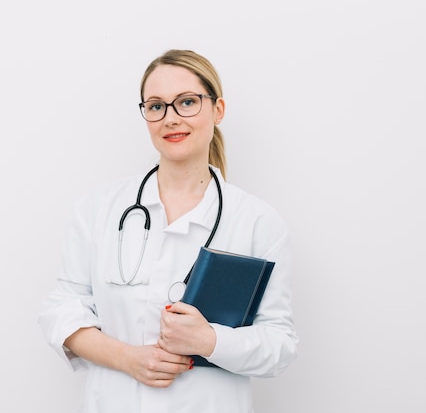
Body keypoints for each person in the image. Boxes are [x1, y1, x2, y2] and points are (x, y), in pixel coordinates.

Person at [38, 49, 298, 413]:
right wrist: (128, 359)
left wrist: (209, 340)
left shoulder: (257, 221)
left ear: (218, 109)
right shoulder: (99, 209)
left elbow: (279, 345)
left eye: (187, 102)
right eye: (156, 106)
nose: (170, 118)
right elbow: (62, 309)